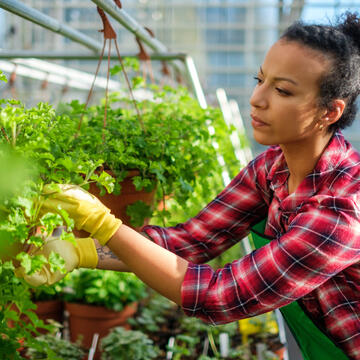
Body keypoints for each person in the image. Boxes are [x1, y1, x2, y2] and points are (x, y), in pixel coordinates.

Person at [18, 12, 360, 360]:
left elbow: (222, 296)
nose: (257, 98)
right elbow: (192, 240)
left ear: (329, 112)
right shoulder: (271, 168)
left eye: (282, 90)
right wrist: (82, 251)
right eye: (260, 79)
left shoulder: (340, 213)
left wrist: (103, 223)